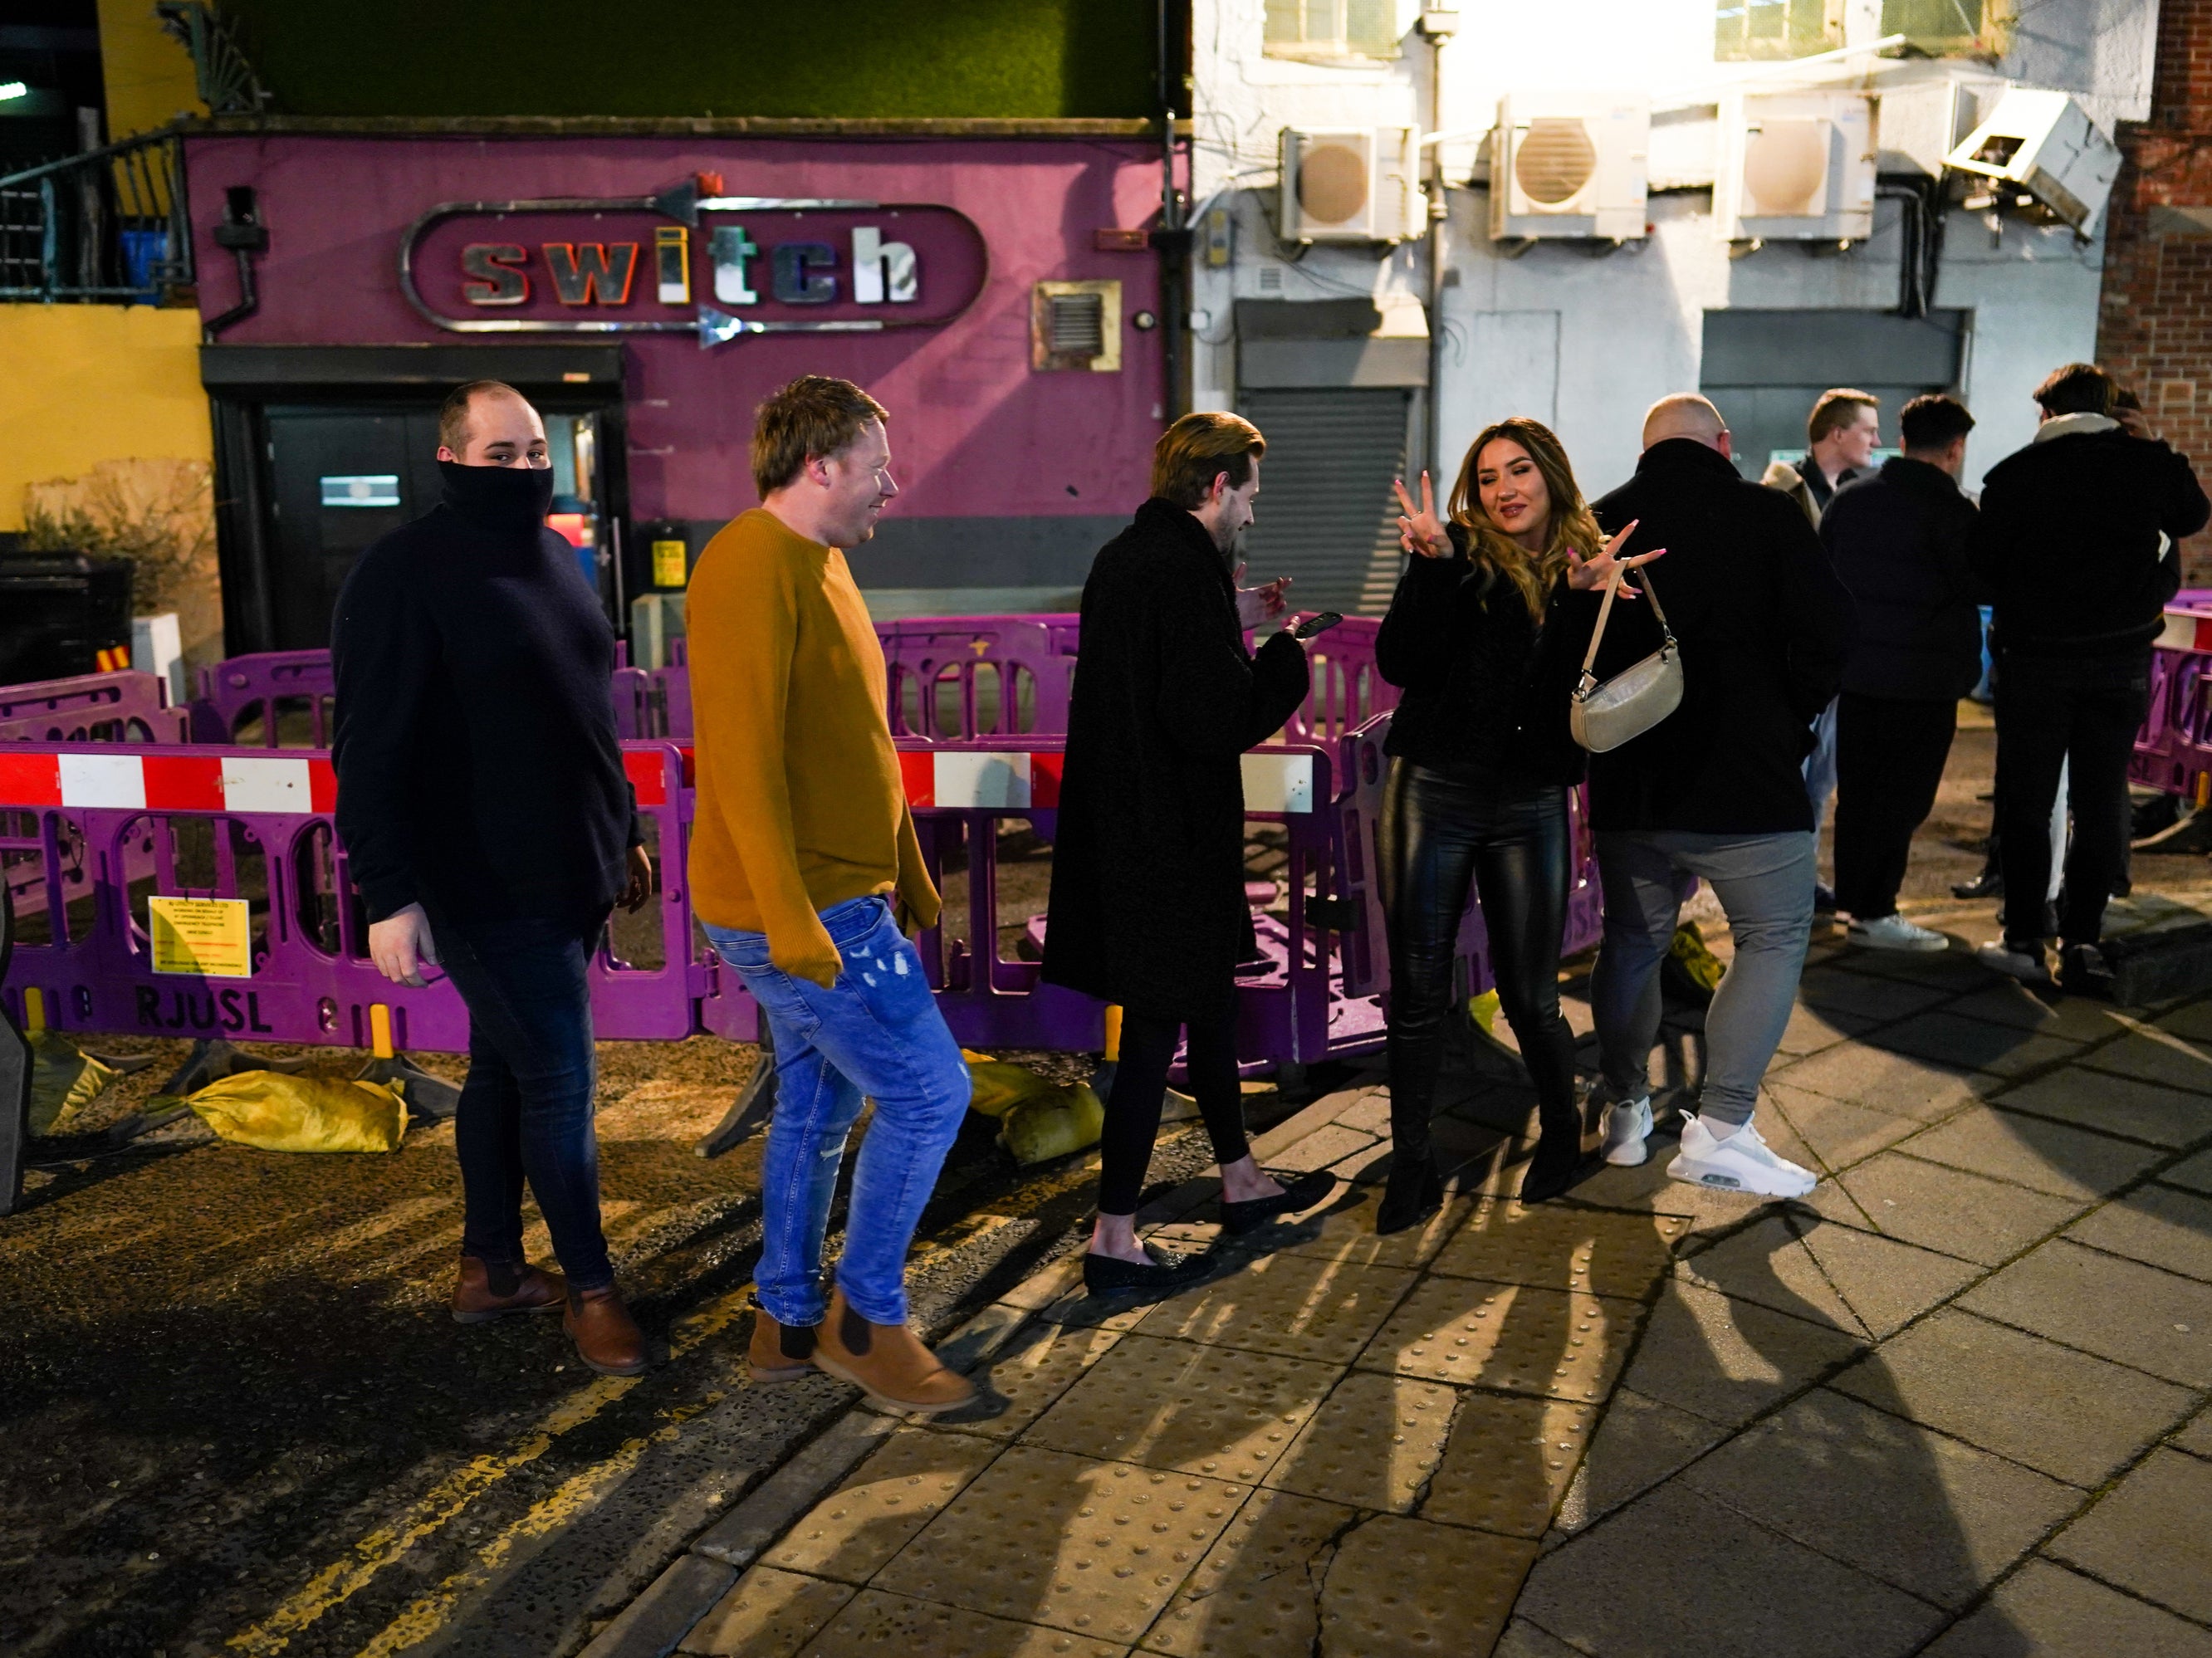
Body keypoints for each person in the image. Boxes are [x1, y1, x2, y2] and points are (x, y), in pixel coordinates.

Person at [335, 380, 655, 1377]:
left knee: (506, 1070)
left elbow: (580, 711)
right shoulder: (401, 572)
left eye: (533, 452)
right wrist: (387, 892)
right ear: (451, 459)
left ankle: (492, 1268)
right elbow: (369, 747)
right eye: (501, 453)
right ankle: (592, 1290)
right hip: (483, 879)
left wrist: (623, 832)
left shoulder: (555, 554)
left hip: (568, 866)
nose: (523, 468)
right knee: (562, 1080)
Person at [689, 376, 975, 1413]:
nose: (892, 485)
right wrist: (789, 913)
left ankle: (786, 1318)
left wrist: (905, 858)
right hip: (805, 907)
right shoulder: (747, 564)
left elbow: (857, 735)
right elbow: (743, 759)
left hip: (840, 894)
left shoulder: (821, 562)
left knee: (817, 1105)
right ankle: (867, 1320)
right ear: (820, 465)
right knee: (931, 1093)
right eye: (876, 465)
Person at [1043, 412, 1336, 1297]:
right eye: (1249, 492)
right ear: (1217, 486)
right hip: (1169, 841)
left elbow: (1161, 659)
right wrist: (1285, 658)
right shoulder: (1184, 569)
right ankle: (1114, 1237)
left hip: (1130, 831)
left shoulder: (1129, 557)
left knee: (1207, 1005)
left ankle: (1242, 1178)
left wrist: (1235, 616)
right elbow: (1212, 719)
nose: (1252, 511)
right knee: (1156, 1034)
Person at [1377, 421, 1658, 1226]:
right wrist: (1428, 569)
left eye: (1520, 470)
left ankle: (1563, 1131)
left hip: (1532, 800)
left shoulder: (1590, 565)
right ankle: (1412, 1161)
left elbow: (1572, 696)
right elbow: (1402, 663)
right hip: (1432, 789)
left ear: (1553, 476)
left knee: (1531, 994)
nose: (1504, 488)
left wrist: (1583, 600)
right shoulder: (1454, 553)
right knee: (1419, 992)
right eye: (1489, 474)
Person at [1577, 394, 1856, 1198]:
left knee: (1633, 941)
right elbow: (1835, 630)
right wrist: (1790, 710)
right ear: (1724, 444)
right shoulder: (1768, 514)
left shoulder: (1603, 522)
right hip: (1749, 782)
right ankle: (1723, 1127)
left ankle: (1625, 1110)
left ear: (1644, 449)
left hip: (1633, 781)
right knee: (1771, 933)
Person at [1970, 363, 2210, 992]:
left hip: (2036, 663)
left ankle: (2024, 935)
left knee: (2026, 801)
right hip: (2119, 664)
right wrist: (2151, 441)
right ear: (2112, 411)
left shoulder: (2015, 475)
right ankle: (2082, 939)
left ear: (2047, 413)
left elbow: (1983, 571)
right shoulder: (2148, 466)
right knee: (2102, 800)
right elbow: (2191, 513)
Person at [1823, 394, 1982, 951]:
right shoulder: (1954, 512)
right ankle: (1875, 911)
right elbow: (1979, 585)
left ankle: (1852, 902)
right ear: (1955, 448)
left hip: (1860, 675)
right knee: (1904, 799)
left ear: (1904, 438)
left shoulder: (1852, 498)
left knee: (1861, 795)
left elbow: (1824, 573)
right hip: (1925, 681)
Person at [1764, 389, 1882, 916]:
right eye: (1867, 430)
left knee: (1819, 784)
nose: (1876, 441)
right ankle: (1782, 887)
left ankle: (1801, 883)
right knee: (1793, 781)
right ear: (1837, 434)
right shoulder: (1786, 493)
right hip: (1797, 668)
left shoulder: (1851, 493)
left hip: (1836, 666)